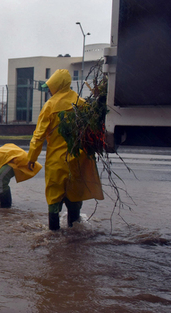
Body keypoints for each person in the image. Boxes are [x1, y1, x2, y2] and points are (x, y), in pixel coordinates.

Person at [27, 69, 103, 230]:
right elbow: (92, 132)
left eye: (50, 86)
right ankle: (74, 234)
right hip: (78, 160)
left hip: (57, 162)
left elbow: (38, 135)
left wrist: (31, 158)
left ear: (56, 85)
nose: (48, 90)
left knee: (54, 198)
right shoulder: (81, 104)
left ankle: (53, 235)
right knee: (75, 197)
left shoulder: (50, 106)